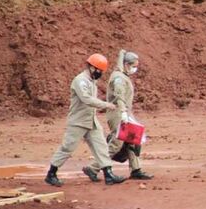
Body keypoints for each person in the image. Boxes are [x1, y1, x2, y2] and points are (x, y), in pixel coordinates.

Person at [45, 54, 126, 187]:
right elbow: (87, 99)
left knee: (101, 147)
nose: (100, 73)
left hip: (91, 121)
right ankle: (51, 173)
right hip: (78, 122)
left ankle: (108, 174)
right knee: (67, 147)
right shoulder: (80, 81)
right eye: (98, 70)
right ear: (91, 67)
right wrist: (106, 105)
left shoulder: (91, 82)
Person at [83, 50, 153, 182]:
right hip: (118, 113)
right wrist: (124, 113)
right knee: (116, 143)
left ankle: (136, 169)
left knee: (133, 140)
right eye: (133, 65)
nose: (135, 68)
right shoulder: (119, 78)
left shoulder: (121, 74)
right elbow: (119, 97)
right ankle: (93, 168)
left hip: (124, 113)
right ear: (126, 64)